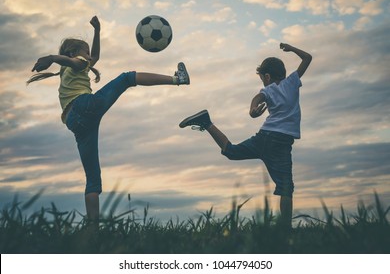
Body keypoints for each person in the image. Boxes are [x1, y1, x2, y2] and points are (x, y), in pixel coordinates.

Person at [27, 16, 190, 225]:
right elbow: (76, 60)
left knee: (93, 181)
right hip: (84, 106)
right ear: (73, 53)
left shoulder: (67, 70)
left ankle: (93, 230)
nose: (89, 57)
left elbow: (92, 56)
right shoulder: (76, 63)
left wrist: (97, 31)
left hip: (76, 124)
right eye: (85, 52)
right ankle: (178, 79)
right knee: (127, 78)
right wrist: (52, 56)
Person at [179, 43, 311, 228]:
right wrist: (291, 48)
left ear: (267, 76)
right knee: (286, 187)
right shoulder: (292, 81)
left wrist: (252, 111)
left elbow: (257, 98)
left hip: (266, 138)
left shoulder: (268, 89)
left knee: (231, 152)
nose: (262, 83)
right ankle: (286, 230)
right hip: (279, 143)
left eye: (262, 79)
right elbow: (308, 58)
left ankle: (206, 122)